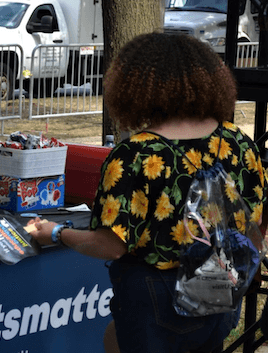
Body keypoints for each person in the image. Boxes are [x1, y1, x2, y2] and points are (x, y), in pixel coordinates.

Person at [28, 32, 266, 353]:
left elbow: (109, 246)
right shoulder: (239, 141)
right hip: (222, 282)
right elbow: (258, 221)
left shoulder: (135, 154)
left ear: (135, 86)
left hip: (157, 292)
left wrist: (55, 233)